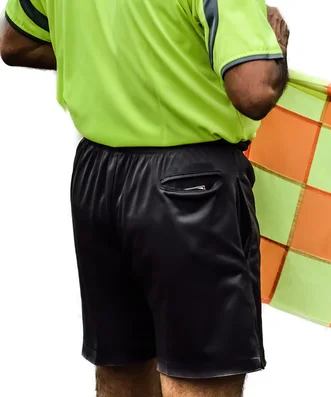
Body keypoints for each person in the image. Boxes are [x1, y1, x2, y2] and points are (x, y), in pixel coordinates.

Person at [1, 0, 290, 395]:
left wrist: (116, 61)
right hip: (191, 189)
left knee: (123, 368)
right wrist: (277, 50)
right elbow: (253, 88)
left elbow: (15, 42)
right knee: (201, 377)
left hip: (98, 179)